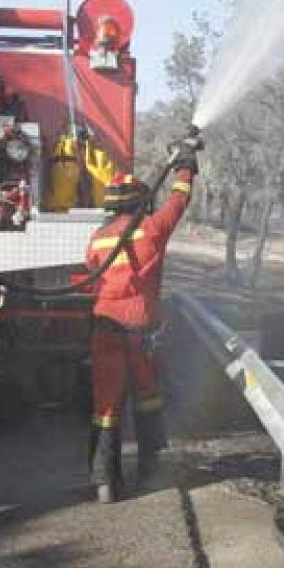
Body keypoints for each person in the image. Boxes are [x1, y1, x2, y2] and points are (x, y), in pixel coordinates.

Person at [83, 139, 199, 503]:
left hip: (105, 329)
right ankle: (150, 469)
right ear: (138, 203)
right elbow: (178, 202)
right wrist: (186, 167)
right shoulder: (151, 229)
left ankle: (105, 482)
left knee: (106, 406)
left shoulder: (97, 239)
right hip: (141, 333)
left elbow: (93, 272)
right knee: (147, 399)